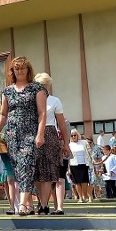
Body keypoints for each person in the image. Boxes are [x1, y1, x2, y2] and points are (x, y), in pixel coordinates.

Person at [0, 57, 47, 216]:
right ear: (13, 71)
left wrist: (40, 134)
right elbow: (3, 114)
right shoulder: (7, 91)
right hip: (12, 134)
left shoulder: (36, 88)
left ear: (28, 70)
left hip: (30, 132)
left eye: (23, 68)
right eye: (17, 69)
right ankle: (29, 205)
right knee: (19, 169)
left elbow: (42, 113)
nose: (20, 71)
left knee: (26, 165)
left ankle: (23, 204)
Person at [32, 73, 70, 215]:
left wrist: (66, 143)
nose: (43, 87)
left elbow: (62, 124)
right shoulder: (31, 100)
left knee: (48, 171)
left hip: (50, 134)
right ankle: (39, 201)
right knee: (35, 170)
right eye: (41, 85)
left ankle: (44, 204)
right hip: (33, 133)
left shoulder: (55, 100)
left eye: (46, 85)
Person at [68, 130, 92, 203]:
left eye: (75, 135)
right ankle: (80, 197)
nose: (73, 137)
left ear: (78, 135)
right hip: (74, 164)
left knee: (84, 181)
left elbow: (89, 152)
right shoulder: (70, 144)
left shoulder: (84, 142)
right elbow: (68, 157)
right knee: (77, 182)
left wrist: (91, 162)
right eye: (72, 135)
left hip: (84, 164)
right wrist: (68, 168)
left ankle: (85, 196)